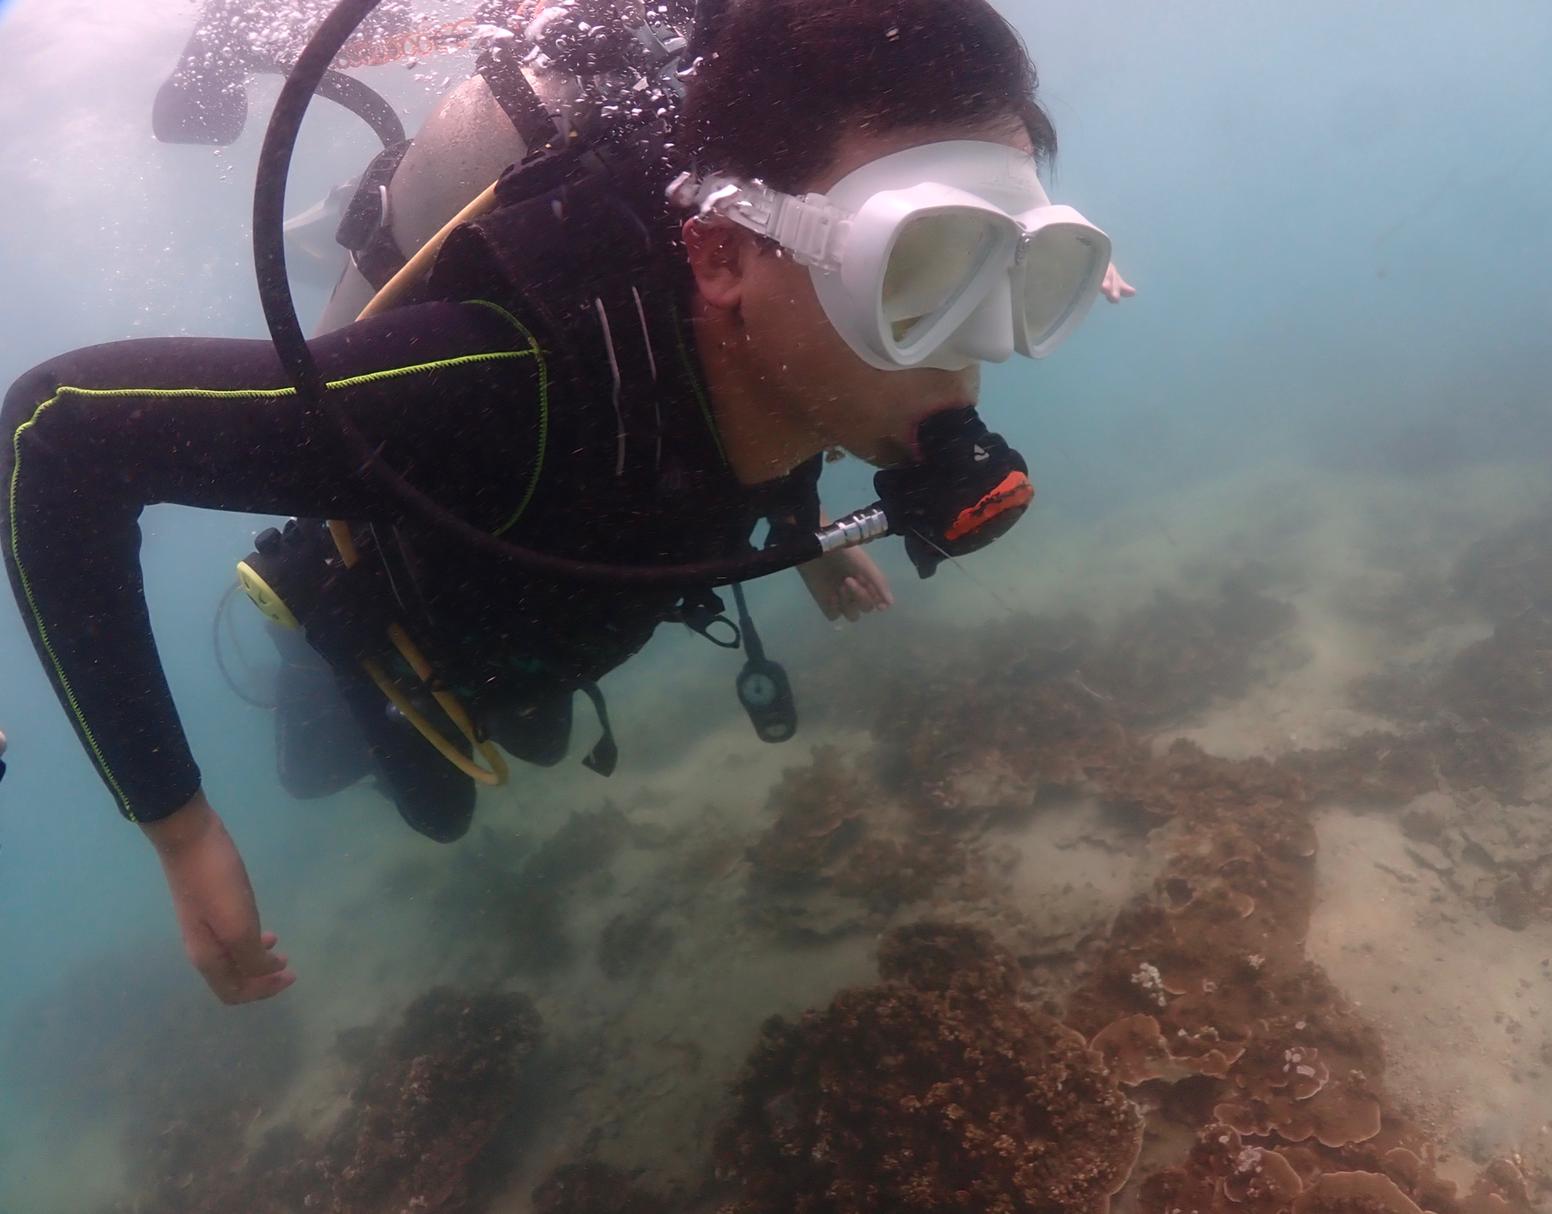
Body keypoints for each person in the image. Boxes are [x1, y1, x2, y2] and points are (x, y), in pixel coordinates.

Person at [2, 0, 1130, 1005]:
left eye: (1022, 272)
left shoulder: (797, 346)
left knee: (531, 724)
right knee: (430, 801)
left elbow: (770, 381)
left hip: (553, 610)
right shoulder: (510, 386)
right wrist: (178, 824)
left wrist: (798, 535)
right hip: (400, 621)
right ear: (722, 253)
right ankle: (308, 633)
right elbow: (60, 431)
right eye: (922, 267)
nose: (980, 353)